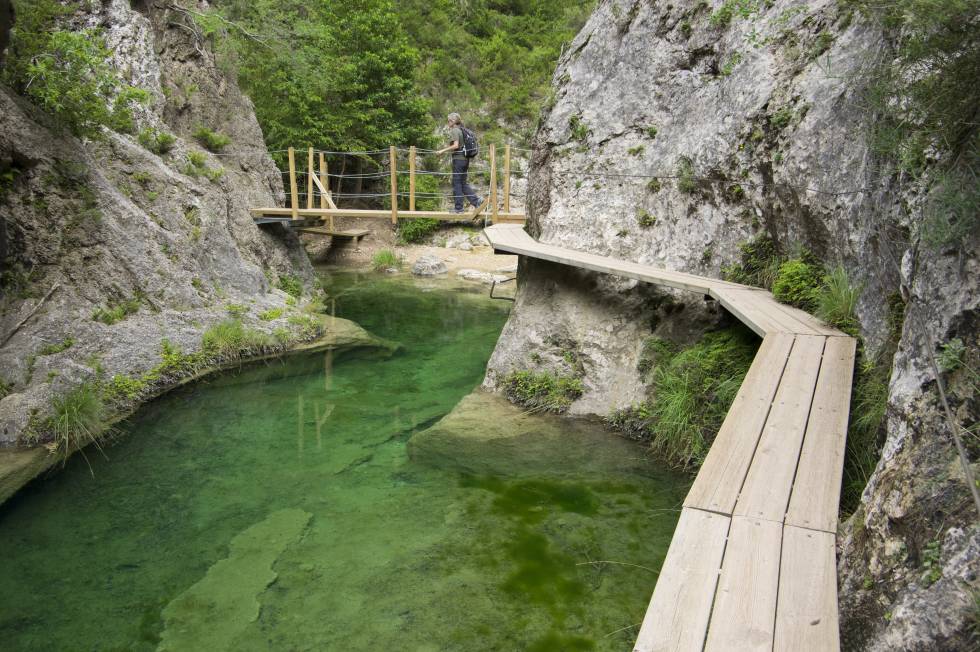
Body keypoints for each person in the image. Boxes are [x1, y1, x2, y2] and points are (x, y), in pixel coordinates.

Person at [436, 113, 480, 214]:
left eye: (448, 121)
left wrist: (442, 151)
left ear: (452, 121)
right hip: (465, 160)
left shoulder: (455, 130)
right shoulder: (462, 129)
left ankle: (459, 208)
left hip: (458, 160)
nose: (448, 123)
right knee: (463, 183)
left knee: (456, 183)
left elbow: (455, 146)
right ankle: (477, 201)